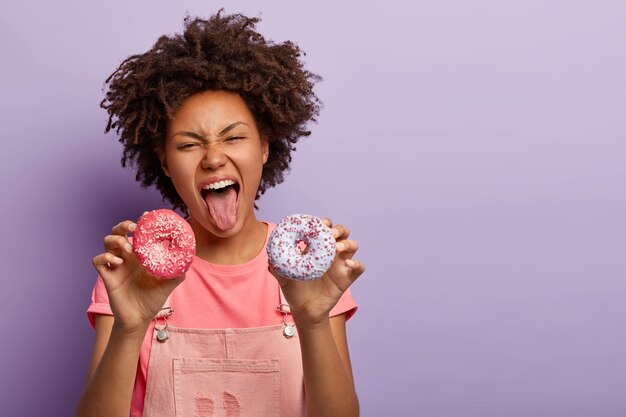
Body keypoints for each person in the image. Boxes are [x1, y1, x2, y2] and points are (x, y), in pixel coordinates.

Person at [76, 10, 365, 417]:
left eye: (233, 137)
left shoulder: (310, 270)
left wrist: (313, 321)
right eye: (189, 144)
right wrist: (129, 328)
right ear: (163, 161)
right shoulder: (132, 270)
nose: (214, 158)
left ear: (264, 147)